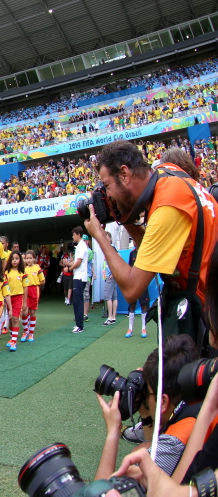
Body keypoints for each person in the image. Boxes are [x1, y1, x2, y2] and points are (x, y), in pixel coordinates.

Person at [83, 140, 218, 346]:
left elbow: (131, 290)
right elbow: (152, 248)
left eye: (107, 185)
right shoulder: (168, 173)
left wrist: (99, 235)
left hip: (207, 310)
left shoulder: (168, 205)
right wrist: (127, 219)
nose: (106, 195)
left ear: (125, 174)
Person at [94, 334, 200, 482]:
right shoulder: (198, 402)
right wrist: (146, 415)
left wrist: (113, 431)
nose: (145, 396)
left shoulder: (171, 445)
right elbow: (152, 444)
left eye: (147, 391)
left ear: (163, 401)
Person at [69, 227, 90, 333]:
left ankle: (80, 326)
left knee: (78, 302)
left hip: (80, 277)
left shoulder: (81, 246)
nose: (73, 237)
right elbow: (76, 262)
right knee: (77, 301)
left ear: (78, 234)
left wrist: (70, 268)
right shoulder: (80, 246)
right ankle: (78, 324)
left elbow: (78, 262)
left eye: (73, 235)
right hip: (79, 276)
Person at [22, 250, 44, 342]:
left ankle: (31, 333)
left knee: (32, 311)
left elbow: (43, 281)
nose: (29, 260)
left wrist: (35, 283)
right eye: (27, 258)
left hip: (34, 290)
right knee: (24, 311)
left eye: (30, 258)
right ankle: (25, 331)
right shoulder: (24, 269)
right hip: (25, 290)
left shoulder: (37, 268)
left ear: (34, 259)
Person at [5, 250, 26, 350]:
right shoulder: (6, 273)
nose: (14, 261)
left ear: (20, 260)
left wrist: (25, 302)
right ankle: (11, 336)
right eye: (12, 259)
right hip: (8, 298)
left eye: (17, 259)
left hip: (18, 297)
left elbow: (25, 287)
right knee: (9, 319)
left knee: (15, 318)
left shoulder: (22, 272)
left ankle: (14, 341)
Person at [102, 233, 118, 326]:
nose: (106, 239)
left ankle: (110, 317)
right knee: (113, 296)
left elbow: (117, 259)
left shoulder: (111, 248)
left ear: (110, 239)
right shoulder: (109, 248)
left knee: (108, 296)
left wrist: (112, 273)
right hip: (110, 276)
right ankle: (113, 317)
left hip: (110, 276)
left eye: (107, 238)